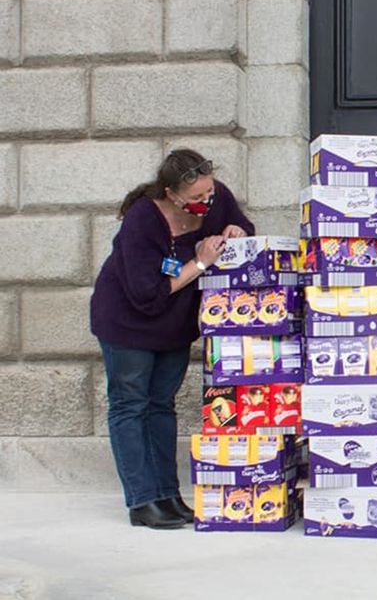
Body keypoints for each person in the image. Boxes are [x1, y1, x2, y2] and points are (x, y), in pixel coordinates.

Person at [90, 149, 254, 529]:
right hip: (128, 322)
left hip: (174, 325)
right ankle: (142, 500)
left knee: (162, 405)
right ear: (172, 193)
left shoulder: (215, 198)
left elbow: (242, 223)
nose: (205, 203)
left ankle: (167, 494)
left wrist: (237, 231)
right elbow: (147, 295)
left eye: (208, 193)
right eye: (196, 198)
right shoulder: (142, 220)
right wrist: (199, 263)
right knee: (130, 405)